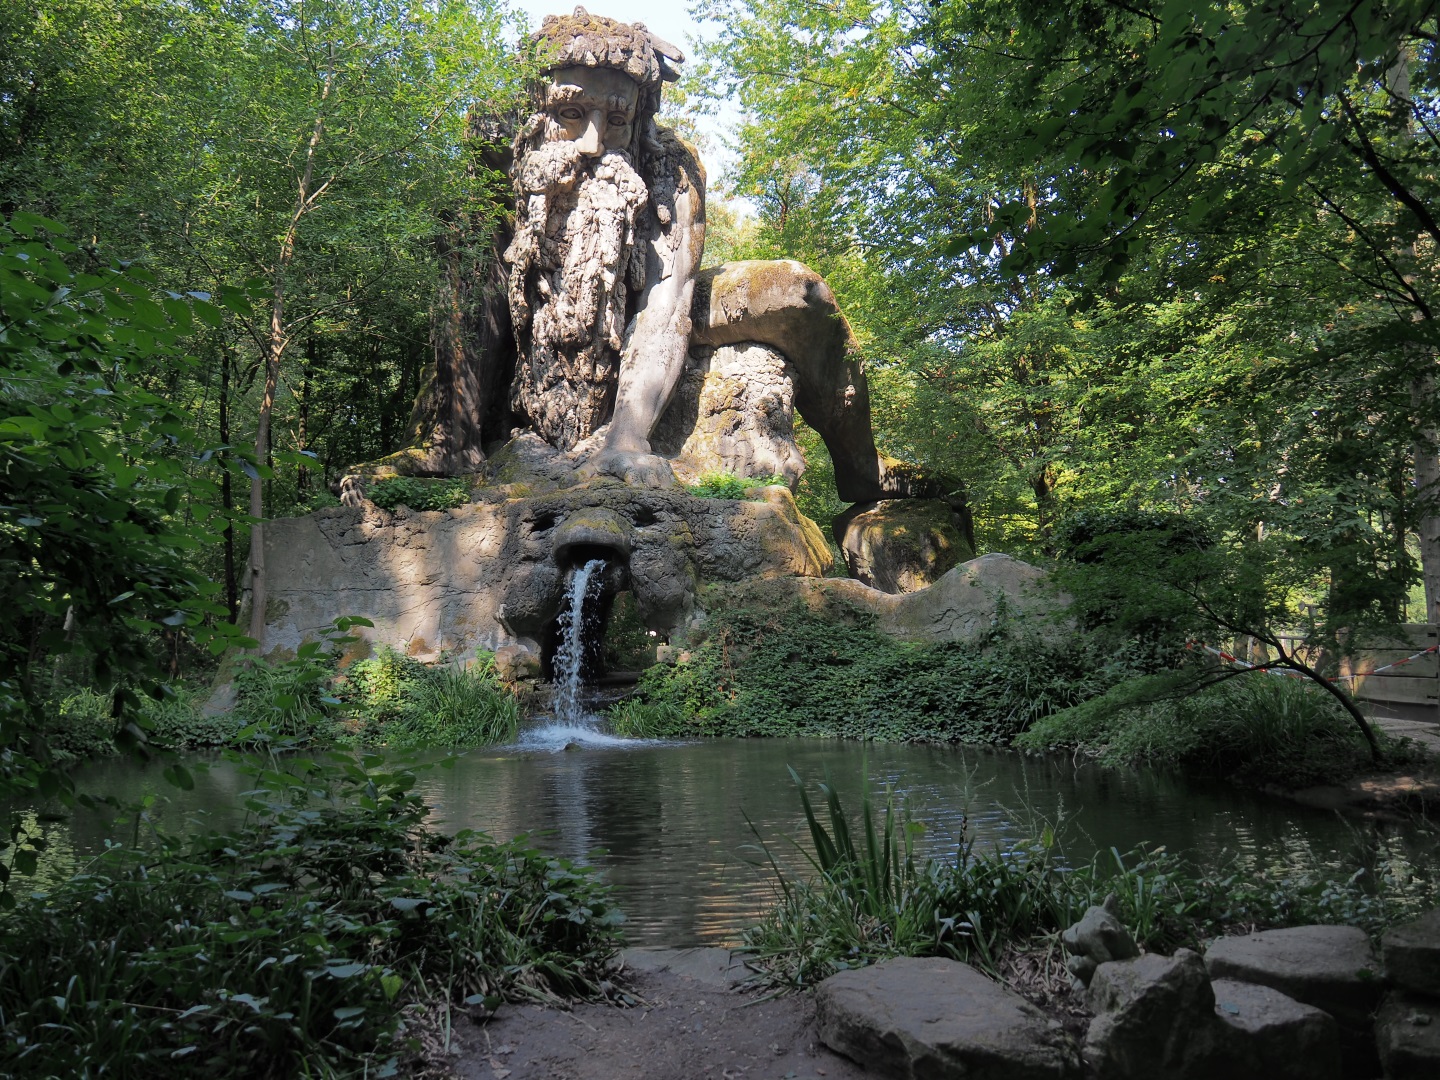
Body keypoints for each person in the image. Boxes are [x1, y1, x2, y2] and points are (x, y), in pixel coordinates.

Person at [343, 7, 936, 505]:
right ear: (534, 111)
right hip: (536, 329)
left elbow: (664, 306)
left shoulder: (669, 170)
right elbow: (474, 295)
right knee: (463, 230)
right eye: (571, 115)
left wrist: (626, 438)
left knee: (800, 292)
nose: (594, 142)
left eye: (617, 120)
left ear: (641, 120)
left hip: (649, 305)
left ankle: (864, 471)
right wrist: (455, 436)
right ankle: (450, 441)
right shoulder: (497, 156)